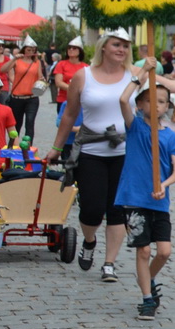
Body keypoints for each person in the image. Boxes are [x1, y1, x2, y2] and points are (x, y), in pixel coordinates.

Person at [48, 28, 139, 281]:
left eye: (125, 46)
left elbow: (150, 106)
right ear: (103, 47)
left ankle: (109, 263)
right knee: (91, 209)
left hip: (124, 152)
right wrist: (56, 148)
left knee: (118, 210)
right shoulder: (83, 76)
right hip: (91, 150)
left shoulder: (134, 75)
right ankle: (89, 241)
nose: (121, 49)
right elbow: (69, 114)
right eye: (116, 45)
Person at [115, 81, 175, 320]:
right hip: (134, 198)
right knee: (143, 250)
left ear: (167, 106)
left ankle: (148, 277)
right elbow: (123, 100)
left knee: (164, 252)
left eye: (162, 101)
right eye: (151, 100)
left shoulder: (171, 137)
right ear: (141, 104)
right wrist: (141, 75)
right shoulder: (134, 127)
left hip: (159, 201)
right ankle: (147, 299)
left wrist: (163, 185)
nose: (156, 105)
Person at [2, 41, 45, 144]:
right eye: (28, 50)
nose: (31, 52)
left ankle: (28, 147)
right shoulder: (18, 61)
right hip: (17, 97)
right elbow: (3, 69)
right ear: (24, 49)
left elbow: (40, 77)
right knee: (16, 124)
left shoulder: (37, 62)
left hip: (32, 98)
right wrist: (14, 58)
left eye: (33, 50)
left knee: (30, 122)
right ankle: (13, 145)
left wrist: (42, 80)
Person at [52, 40, 88, 132]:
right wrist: (73, 89)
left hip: (80, 101)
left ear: (80, 51)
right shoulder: (61, 64)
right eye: (69, 48)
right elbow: (58, 82)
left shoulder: (86, 67)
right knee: (63, 125)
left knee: (79, 125)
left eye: (74, 48)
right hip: (64, 99)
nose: (71, 50)